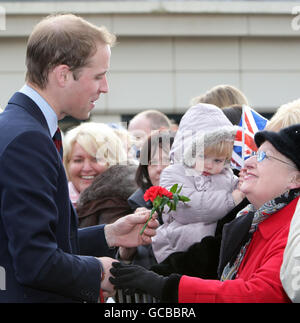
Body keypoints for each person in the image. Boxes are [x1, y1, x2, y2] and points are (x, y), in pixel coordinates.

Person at [0, 13, 158, 303]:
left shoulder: (24, 129)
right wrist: (97, 270)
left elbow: (26, 243)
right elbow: (35, 262)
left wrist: (109, 234)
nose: (105, 87)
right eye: (98, 76)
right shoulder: (28, 139)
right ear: (62, 74)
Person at [110, 124, 300, 303]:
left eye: (263, 157)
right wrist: (145, 276)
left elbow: (261, 294)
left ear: (296, 179)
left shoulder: (293, 230)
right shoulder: (250, 219)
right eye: (253, 154)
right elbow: (201, 259)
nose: (247, 162)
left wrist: (166, 286)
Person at [151, 104, 243, 263]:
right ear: (185, 150)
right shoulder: (173, 173)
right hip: (178, 250)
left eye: (218, 160)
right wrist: (232, 198)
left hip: (215, 254)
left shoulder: (226, 175)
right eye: (202, 156)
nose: (209, 165)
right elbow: (188, 207)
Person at [63, 122, 128, 207]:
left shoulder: (130, 204)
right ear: (67, 164)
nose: (86, 168)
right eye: (78, 160)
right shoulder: (53, 202)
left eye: (96, 159)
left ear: (114, 162)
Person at [128, 130, 175, 211]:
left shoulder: (199, 199)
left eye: (167, 161)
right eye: (153, 162)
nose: (159, 168)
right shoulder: (139, 203)